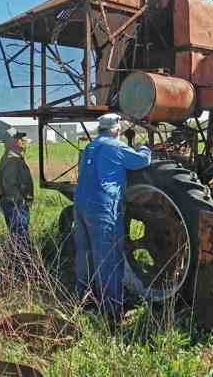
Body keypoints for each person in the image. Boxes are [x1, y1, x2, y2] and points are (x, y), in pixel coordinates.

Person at [74, 113, 151, 319]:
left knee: (85, 254)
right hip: (102, 207)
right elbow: (142, 160)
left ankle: (86, 303)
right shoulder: (115, 146)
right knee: (108, 258)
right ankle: (112, 312)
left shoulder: (91, 146)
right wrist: (144, 146)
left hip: (80, 206)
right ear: (117, 130)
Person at [0, 128, 34, 258]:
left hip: (13, 204)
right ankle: (22, 266)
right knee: (20, 236)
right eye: (17, 138)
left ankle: (18, 263)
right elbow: (10, 185)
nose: (20, 140)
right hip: (16, 205)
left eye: (20, 138)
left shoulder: (11, 157)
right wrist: (20, 202)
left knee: (17, 236)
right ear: (10, 141)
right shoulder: (12, 159)